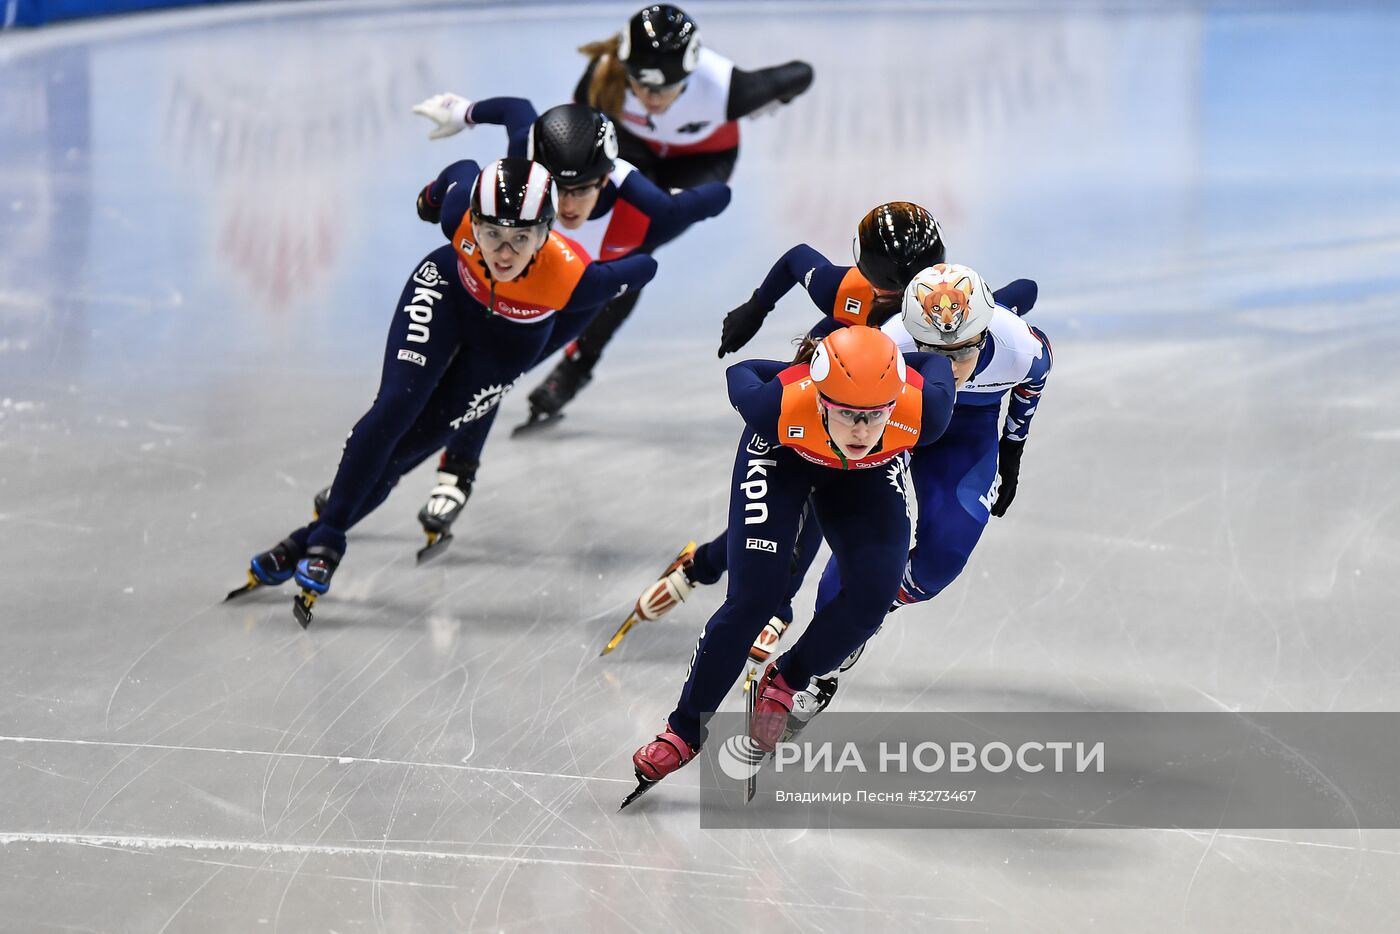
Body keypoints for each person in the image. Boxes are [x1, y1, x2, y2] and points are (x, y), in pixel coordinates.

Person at [623, 247, 1049, 728]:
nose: (951, 369)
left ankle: (849, 619)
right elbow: (806, 463)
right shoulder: (882, 339)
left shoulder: (1017, 344)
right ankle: (798, 636)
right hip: (886, 415)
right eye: (936, 354)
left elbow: (1029, 362)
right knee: (819, 498)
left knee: (938, 562)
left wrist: (1011, 452)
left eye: (965, 350)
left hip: (947, 428)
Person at [227, 157, 657, 625]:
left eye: (521, 238)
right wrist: (433, 195)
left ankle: (299, 542)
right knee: (395, 406)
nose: (504, 253)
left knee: (405, 452)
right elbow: (463, 169)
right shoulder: (458, 218)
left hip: (508, 344)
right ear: (473, 221)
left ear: (545, 233)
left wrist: (561, 326)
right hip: (449, 292)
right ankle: (329, 536)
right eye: (491, 234)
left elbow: (645, 265)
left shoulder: (575, 279)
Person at [622, 326, 957, 805]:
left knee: (873, 600)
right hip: (784, 455)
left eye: (874, 415)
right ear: (821, 399)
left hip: (867, 475)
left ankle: (786, 682)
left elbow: (933, 363)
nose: (861, 431)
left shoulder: (926, 412)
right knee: (755, 600)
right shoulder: (775, 405)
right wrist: (800, 372)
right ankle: (684, 730)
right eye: (847, 414)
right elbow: (742, 371)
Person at [387, 98, 732, 549]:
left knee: (492, 379)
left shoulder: (648, 208)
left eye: (583, 189)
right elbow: (518, 110)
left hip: (568, 303)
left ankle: (448, 476)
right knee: (447, 370)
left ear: (606, 177)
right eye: (558, 189)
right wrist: (464, 112)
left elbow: (717, 197)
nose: (568, 206)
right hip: (504, 271)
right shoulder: (523, 165)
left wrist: (677, 200)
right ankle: (383, 464)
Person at [524, 2, 814, 424]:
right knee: (610, 237)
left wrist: (776, 96)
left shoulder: (728, 89)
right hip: (633, 148)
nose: (652, 98)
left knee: (633, 246)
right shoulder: (600, 80)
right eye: (640, 85)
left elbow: (802, 72)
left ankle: (577, 364)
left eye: (666, 87)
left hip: (701, 161)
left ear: (692, 73)